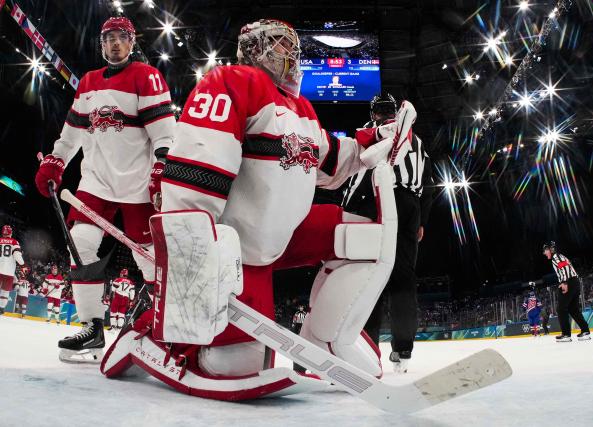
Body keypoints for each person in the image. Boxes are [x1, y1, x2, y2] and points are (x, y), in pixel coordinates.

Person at [101, 19, 403, 399]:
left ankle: (327, 338)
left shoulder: (303, 109)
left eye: (291, 45)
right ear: (254, 49)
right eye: (278, 44)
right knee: (234, 363)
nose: (290, 53)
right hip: (236, 252)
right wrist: (192, 245)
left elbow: (333, 162)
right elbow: (199, 167)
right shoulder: (232, 81)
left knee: (364, 239)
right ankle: (148, 330)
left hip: (284, 232)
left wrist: (376, 139)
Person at [34, 17, 175, 362]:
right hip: (96, 182)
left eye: (120, 38)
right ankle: (92, 328)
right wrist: (56, 161)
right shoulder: (89, 84)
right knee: (80, 245)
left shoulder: (146, 75)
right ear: (102, 44)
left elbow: (165, 132)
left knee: (150, 261)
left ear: (131, 42)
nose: (114, 44)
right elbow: (72, 133)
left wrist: (161, 166)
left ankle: (163, 328)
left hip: (138, 184)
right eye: (108, 38)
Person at [342, 92, 434, 373]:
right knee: (404, 279)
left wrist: (347, 209)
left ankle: (368, 347)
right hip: (411, 205)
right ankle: (403, 348)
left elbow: (361, 174)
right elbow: (429, 185)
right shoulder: (416, 141)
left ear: (374, 114)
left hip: (381, 199)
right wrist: (421, 221)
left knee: (373, 276)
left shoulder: (376, 134)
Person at [543, 241, 591, 342]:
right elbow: (566, 267)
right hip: (574, 282)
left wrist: (564, 282)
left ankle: (566, 334)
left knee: (561, 309)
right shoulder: (560, 256)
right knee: (573, 309)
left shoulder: (556, 257)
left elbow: (564, 268)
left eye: (546, 250)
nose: (544, 253)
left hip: (569, 282)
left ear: (551, 249)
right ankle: (585, 331)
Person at [0, 225, 26, 315]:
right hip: (9, 272)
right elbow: (17, 256)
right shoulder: (14, 242)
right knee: (5, 291)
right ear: (11, 233)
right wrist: (23, 265)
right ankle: (1, 308)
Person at [291, 304, 307, 372]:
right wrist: (294, 323)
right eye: (300, 307)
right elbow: (295, 318)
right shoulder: (297, 313)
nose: (301, 308)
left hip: (303, 328)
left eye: (302, 307)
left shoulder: (304, 313)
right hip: (298, 327)